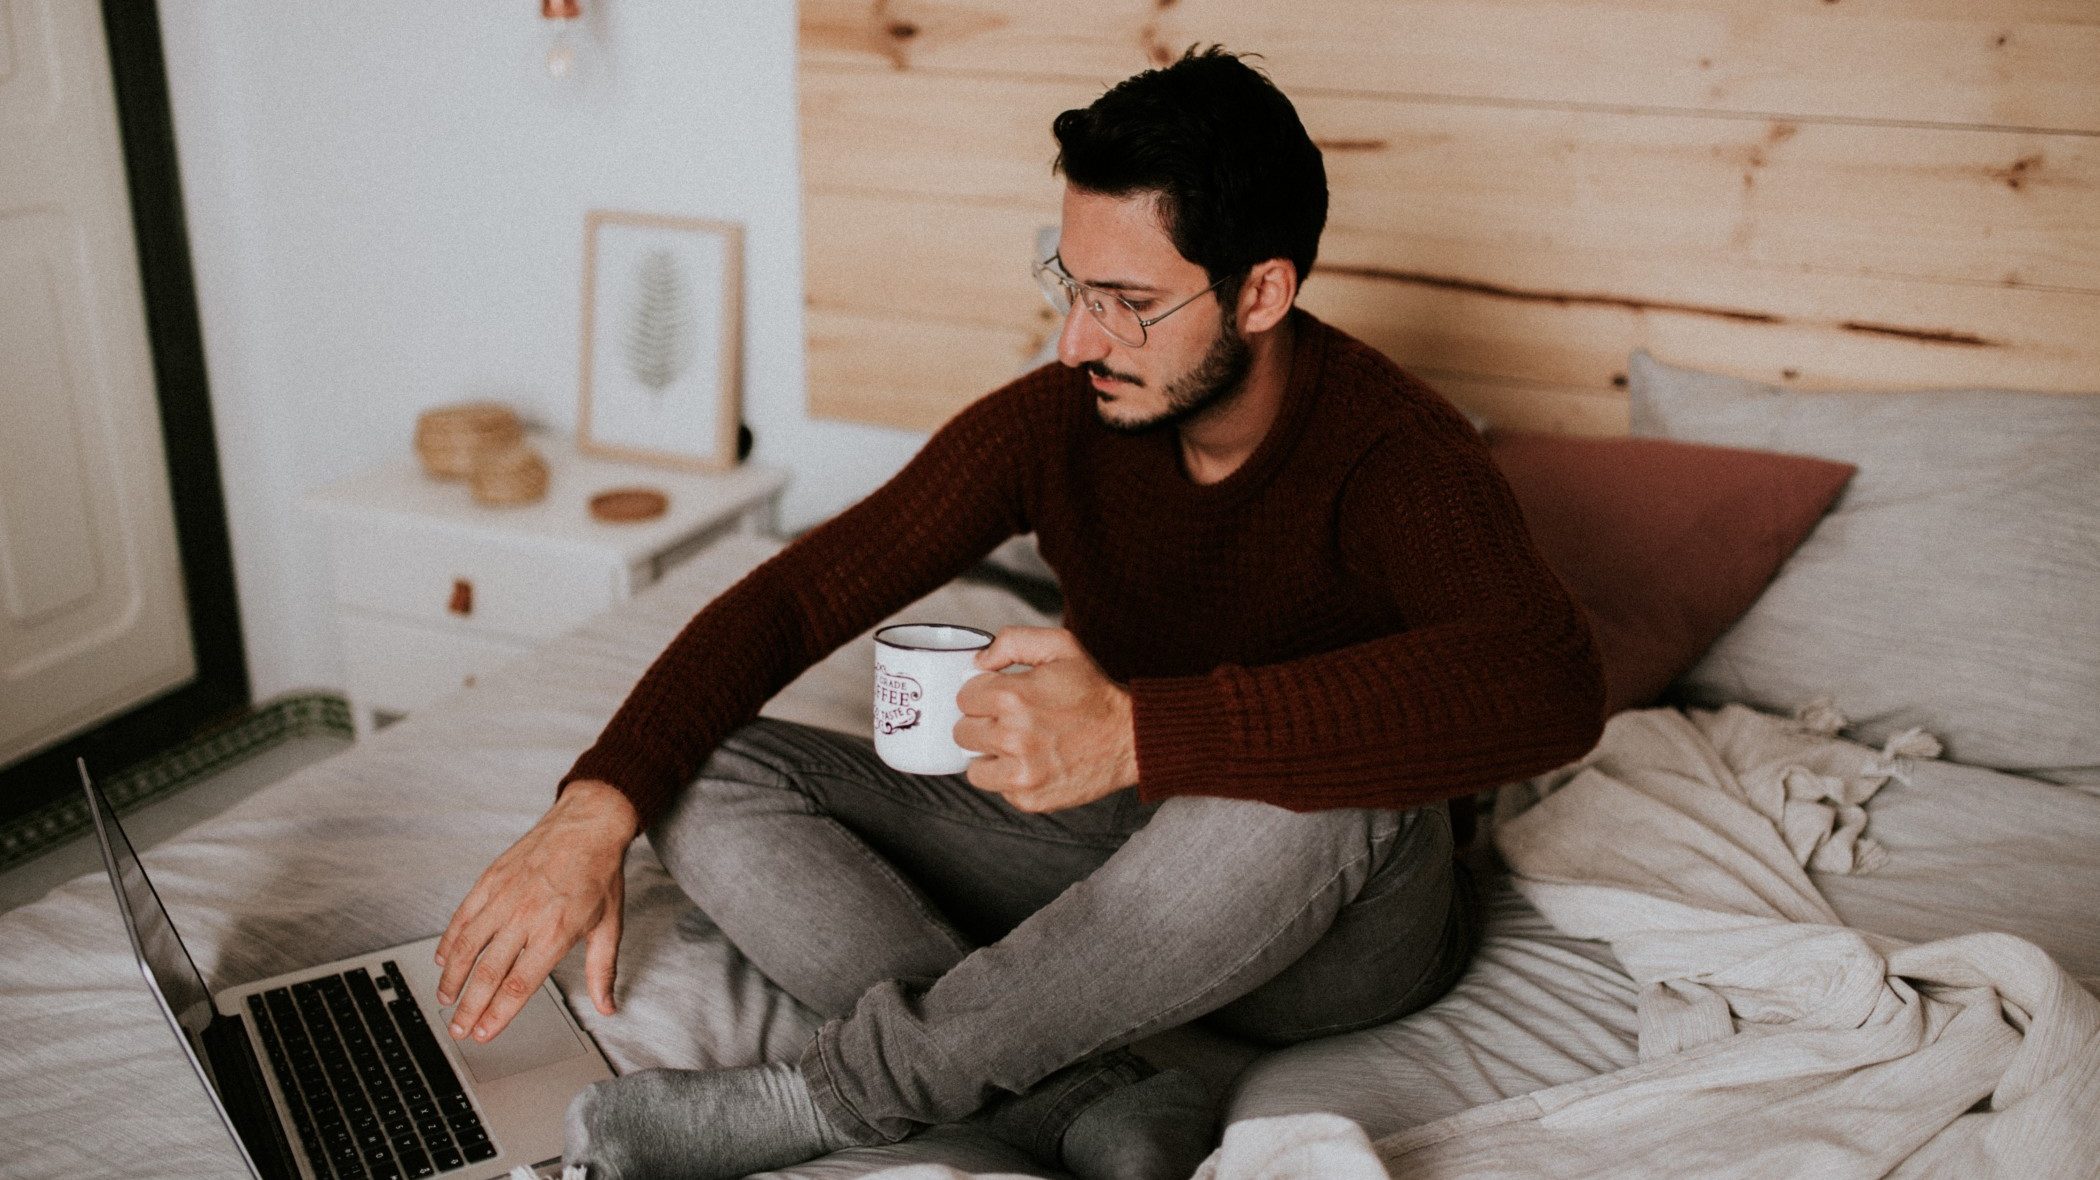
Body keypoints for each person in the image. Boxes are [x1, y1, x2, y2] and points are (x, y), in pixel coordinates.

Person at [435, 47, 1605, 1180]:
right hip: (1126, 862)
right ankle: (1093, 1095)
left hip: (1337, 932)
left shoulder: (1398, 452)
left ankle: (833, 1096)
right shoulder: (1063, 418)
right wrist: (598, 800)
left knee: (1321, 780)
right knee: (700, 769)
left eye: (1129, 303)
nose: (1077, 340)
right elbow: (799, 594)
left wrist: (1140, 730)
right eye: (1071, 284)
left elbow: (1552, 681)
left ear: (1261, 291)